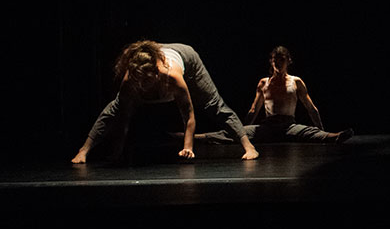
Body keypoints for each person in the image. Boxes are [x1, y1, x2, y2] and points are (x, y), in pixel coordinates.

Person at [70, 40, 258, 163]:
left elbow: (189, 114)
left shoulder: (171, 76)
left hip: (188, 60)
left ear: (155, 74)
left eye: (147, 81)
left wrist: (187, 147)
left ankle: (249, 146)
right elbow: (120, 116)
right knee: (117, 107)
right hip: (153, 59)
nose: (142, 86)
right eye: (139, 81)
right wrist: (116, 150)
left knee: (213, 105)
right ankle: (83, 150)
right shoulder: (130, 80)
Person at [196, 46, 353, 144]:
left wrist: (321, 131)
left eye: (281, 60)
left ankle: (333, 136)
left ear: (288, 61)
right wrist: (242, 131)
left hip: (289, 126)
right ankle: (196, 137)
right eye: (274, 60)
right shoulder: (264, 83)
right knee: (230, 134)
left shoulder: (296, 82)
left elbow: (311, 108)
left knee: (309, 132)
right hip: (268, 126)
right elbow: (253, 110)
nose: (278, 63)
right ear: (271, 62)